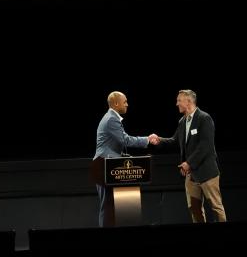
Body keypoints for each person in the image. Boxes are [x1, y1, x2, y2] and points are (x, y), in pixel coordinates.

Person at [156, 89, 225, 222]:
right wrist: (159, 140)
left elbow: (205, 146)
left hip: (207, 172)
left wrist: (189, 163)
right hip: (191, 175)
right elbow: (175, 140)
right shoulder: (182, 121)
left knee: (216, 207)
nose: (177, 104)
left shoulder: (204, 118)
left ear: (188, 101)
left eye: (179, 100)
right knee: (194, 208)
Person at [93, 91, 160, 227]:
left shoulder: (111, 117)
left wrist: (124, 156)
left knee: (110, 206)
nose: (127, 104)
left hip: (105, 164)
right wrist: (147, 139)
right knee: (107, 206)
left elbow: (114, 144)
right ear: (116, 103)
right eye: (125, 102)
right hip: (103, 166)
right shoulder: (111, 119)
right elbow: (125, 140)